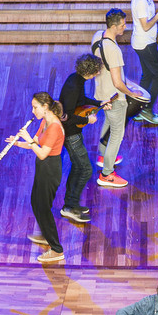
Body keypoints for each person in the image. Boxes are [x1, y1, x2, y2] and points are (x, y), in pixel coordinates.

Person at [93, 7, 146, 190]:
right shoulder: (113, 50)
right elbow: (117, 82)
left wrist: (126, 82)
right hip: (115, 98)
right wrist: (132, 93)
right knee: (117, 134)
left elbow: (107, 72)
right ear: (114, 26)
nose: (125, 26)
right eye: (123, 24)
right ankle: (107, 174)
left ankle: (103, 155)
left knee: (107, 125)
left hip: (102, 94)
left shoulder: (98, 37)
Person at [16, 90, 66, 262]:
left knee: (43, 208)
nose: (33, 111)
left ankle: (56, 249)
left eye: (35, 107)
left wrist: (28, 138)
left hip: (50, 170)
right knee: (35, 203)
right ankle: (47, 234)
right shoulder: (45, 121)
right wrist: (18, 142)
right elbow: (36, 143)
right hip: (43, 168)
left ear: (45, 107)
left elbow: (43, 153)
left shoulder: (54, 127)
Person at [58, 51, 99, 226]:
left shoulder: (76, 79)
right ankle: (70, 207)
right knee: (86, 170)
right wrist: (86, 120)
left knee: (78, 166)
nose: (98, 73)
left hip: (74, 132)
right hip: (71, 134)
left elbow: (81, 101)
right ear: (90, 72)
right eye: (97, 71)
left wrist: (100, 103)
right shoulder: (75, 85)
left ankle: (71, 203)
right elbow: (65, 115)